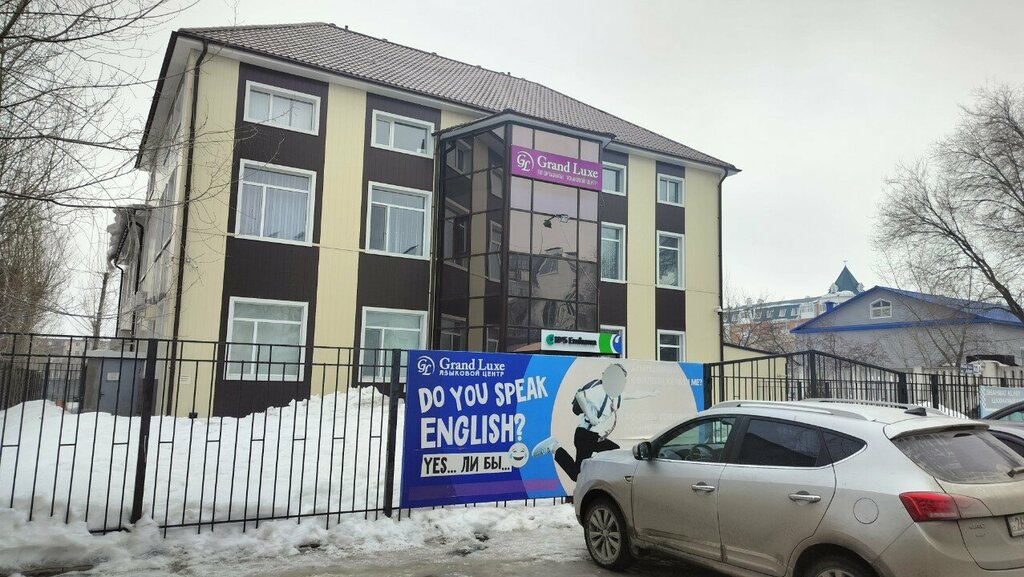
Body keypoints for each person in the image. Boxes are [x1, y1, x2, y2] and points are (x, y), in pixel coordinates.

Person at [532, 363, 633, 482]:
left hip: (593, 437)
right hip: (584, 436)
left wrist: (652, 393)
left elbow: (630, 396)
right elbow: (580, 396)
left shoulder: (613, 396)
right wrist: (591, 417)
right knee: (576, 475)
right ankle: (554, 447)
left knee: (614, 451)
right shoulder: (600, 391)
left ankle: (591, 472)